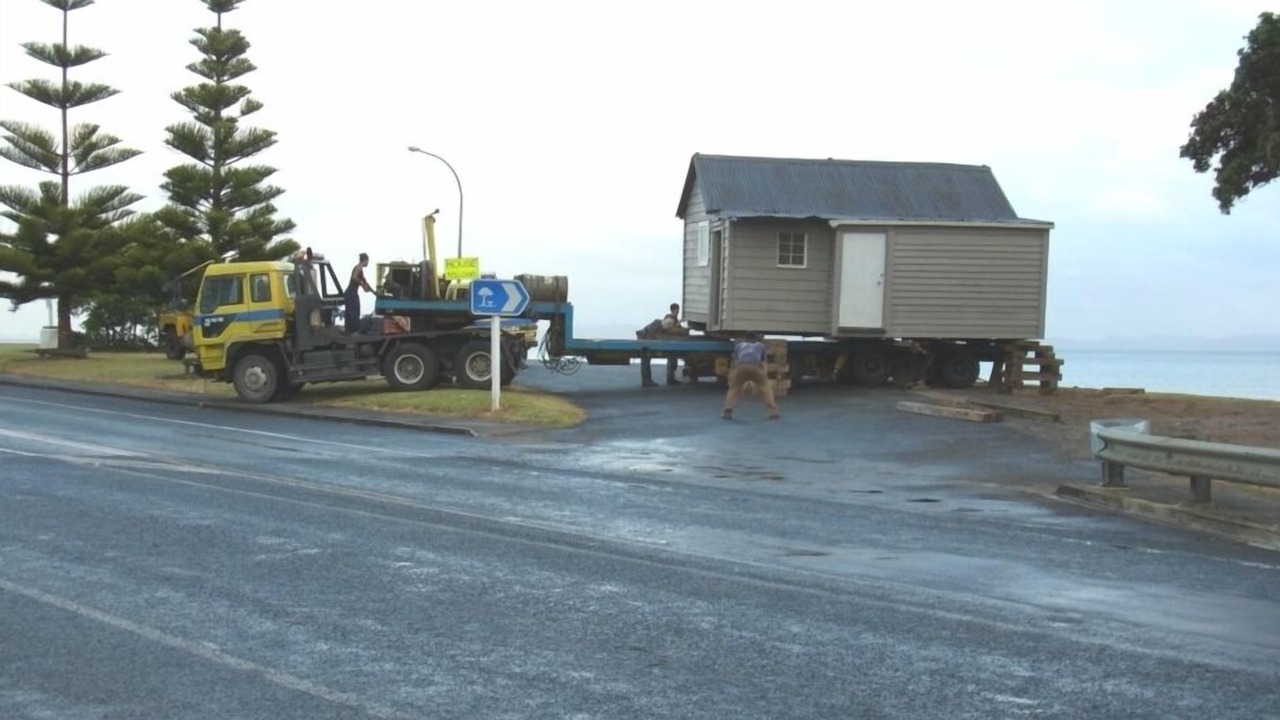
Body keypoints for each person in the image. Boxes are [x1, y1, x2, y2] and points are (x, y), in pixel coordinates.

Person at [722, 331, 780, 420]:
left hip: (741, 368)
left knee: (734, 389)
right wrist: (764, 374)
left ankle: (728, 410)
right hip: (755, 367)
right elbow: (763, 361)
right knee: (765, 389)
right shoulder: (761, 346)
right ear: (756, 339)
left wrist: (732, 375)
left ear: (745, 339)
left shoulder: (739, 346)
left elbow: (735, 362)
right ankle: (773, 412)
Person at [640, 303, 688, 387]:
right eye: (677, 310)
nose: (677, 312)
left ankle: (669, 378)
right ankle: (647, 381)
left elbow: (671, 328)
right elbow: (668, 328)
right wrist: (682, 330)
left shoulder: (673, 319)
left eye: (678, 310)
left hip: (649, 337)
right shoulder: (669, 319)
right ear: (674, 310)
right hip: (647, 338)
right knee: (646, 359)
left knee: (672, 357)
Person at [345, 252, 374, 332]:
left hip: (353, 293)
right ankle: (352, 330)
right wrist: (362, 285)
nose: (368, 263)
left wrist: (374, 292)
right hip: (351, 293)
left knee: (354, 310)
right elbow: (354, 278)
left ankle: (351, 329)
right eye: (368, 261)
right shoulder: (358, 267)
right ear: (365, 260)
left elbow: (365, 282)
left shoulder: (360, 269)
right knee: (353, 311)